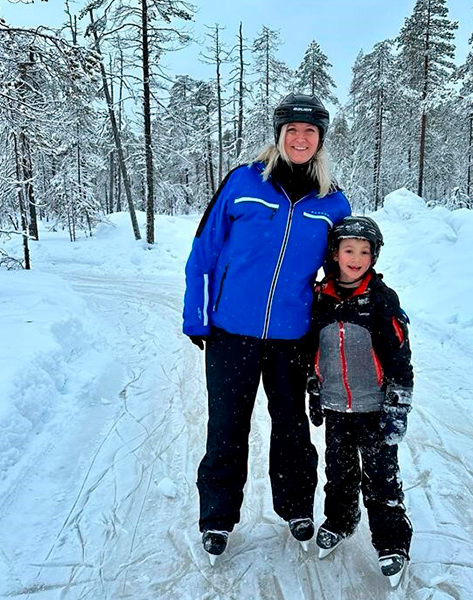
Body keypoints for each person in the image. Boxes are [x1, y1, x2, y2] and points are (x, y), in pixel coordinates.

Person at [182, 93, 351, 563]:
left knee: (293, 427)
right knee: (227, 427)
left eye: (310, 132)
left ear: (320, 141)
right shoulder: (243, 183)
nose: (300, 138)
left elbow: (340, 273)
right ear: (278, 135)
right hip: (231, 333)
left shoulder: (331, 202)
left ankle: (297, 507)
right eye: (292, 130)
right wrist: (196, 314)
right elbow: (204, 249)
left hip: (290, 338)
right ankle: (217, 518)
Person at [307, 216, 414, 586]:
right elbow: (312, 352)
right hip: (337, 407)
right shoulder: (320, 298)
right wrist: (315, 389)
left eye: (364, 251)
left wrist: (397, 406)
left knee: (381, 480)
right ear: (334, 254)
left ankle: (392, 544)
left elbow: (400, 358)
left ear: (374, 256)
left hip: (374, 409)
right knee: (338, 473)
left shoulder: (381, 300)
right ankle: (340, 520)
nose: (356, 257)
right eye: (348, 249)